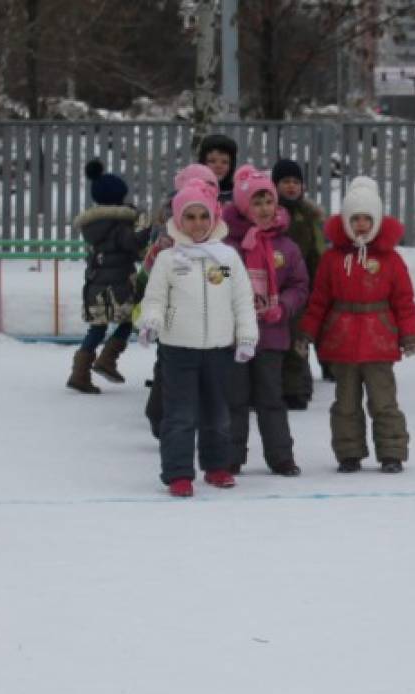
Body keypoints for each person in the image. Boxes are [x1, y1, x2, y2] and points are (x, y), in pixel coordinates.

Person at [138, 181, 258, 497]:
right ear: (178, 220)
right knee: (180, 414)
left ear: (214, 218)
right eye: (189, 217)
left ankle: (216, 466)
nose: (197, 224)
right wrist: (151, 321)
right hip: (178, 349)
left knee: (218, 412)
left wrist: (246, 336)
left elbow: (241, 299)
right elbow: (154, 298)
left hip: (218, 349)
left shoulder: (227, 258)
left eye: (203, 216)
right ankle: (178, 473)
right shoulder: (169, 259)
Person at [300, 176, 415, 474]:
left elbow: (404, 301)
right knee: (345, 404)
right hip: (341, 343)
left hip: (379, 342)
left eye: (367, 218)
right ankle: (349, 453)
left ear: (377, 221)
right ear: (345, 221)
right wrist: (307, 332)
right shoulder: (332, 259)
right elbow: (319, 300)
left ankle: (391, 452)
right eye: (355, 219)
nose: (362, 225)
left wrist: (409, 334)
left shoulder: (391, 259)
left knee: (384, 402)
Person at [222, 165, 309, 477]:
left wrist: (282, 306)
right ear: (243, 206)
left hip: (271, 335)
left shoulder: (286, 246)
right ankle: (230, 456)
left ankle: (280, 456)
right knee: (235, 399)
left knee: (271, 398)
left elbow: (299, 285)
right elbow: (216, 283)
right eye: (256, 202)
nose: (263, 209)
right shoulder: (227, 246)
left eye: (268, 201)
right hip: (234, 336)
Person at [141, 164, 221, 437]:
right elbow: (150, 270)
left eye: (208, 189)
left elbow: (228, 274)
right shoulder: (168, 235)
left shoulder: (220, 237)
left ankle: (196, 419)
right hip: (176, 318)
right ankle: (161, 416)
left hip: (209, 319)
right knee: (168, 368)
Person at [66, 159, 149, 394]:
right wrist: (144, 222)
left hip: (94, 285)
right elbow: (134, 243)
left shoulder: (92, 226)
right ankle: (107, 360)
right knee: (130, 319)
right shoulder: (120, 226)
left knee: (97, 328)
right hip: (119, 285)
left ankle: (79, 373)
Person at [272, 158, 328, 407]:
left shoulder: (308, 216)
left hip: (301, 287)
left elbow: (317, 252)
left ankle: (296, 390)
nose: (291, 186)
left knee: (298, 339)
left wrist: (319, 284)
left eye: (296, 182)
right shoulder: (270, 213)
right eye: (285, 181)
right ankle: (275, 387)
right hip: (274, 286)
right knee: (276, 341)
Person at [196, 133, 238, 202]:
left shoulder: (236, 193)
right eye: (212, 161)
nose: (218, 166)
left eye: (224, 162)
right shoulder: (195, 190)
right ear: (203, 162)